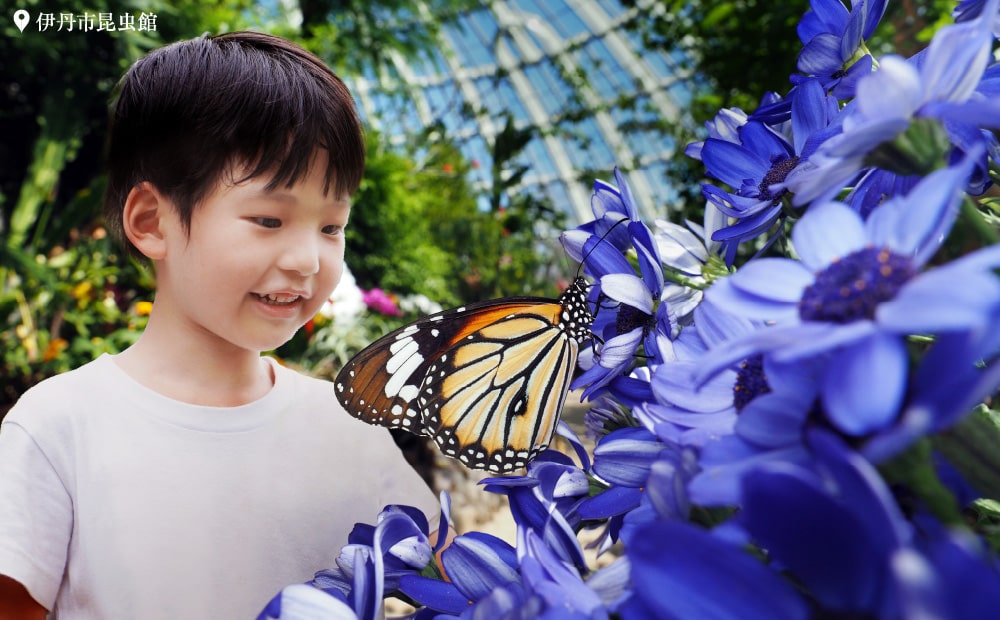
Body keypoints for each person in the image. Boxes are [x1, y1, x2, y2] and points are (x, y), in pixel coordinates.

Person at [0, 31, 444, 619]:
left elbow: (452, 581)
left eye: (331, 227)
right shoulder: (59, 426)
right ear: (152, 220)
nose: (308, 260)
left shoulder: (349, 429)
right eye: (268, 218)